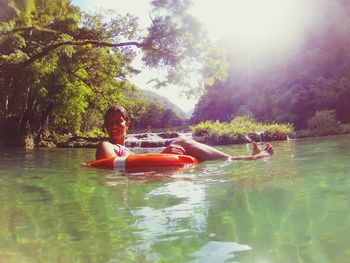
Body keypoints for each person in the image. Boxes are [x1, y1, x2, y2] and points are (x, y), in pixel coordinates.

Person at [96, 105, 274, 161]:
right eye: (110, 122)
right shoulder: (106, 145)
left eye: (119, 121)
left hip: (148, 173)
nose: (114, 125)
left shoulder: (127, 149)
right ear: (104, 126)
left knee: (180, 141)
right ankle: (243, 159)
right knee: (182, 143)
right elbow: (113, 167)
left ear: (127, 124)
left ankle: (241, 158)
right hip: (142, 175)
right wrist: (163, 156)